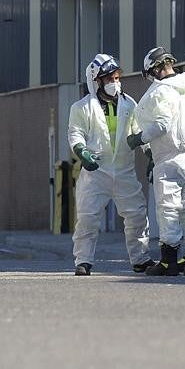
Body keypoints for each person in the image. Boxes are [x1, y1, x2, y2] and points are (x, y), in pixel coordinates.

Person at [128, 46, 185, 276]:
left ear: (153, 71)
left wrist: (138, 139)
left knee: (169, 210)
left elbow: (162, 124)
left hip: (170, 160)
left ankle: (169, 262)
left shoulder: (158, 93)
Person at [67, 53, 154, 276]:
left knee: (136, 215)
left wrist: (150, 154)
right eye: (109, 79)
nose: (115, 83)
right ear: (96, 82)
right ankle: (83, 261)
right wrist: (81, 152)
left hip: (124, 170)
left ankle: (140, 259)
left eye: (117, 78)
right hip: (96, 172)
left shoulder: (130, 104)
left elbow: (138, 132)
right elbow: (75, 133)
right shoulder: (82, 107)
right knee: (87, 217)